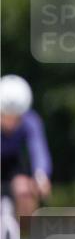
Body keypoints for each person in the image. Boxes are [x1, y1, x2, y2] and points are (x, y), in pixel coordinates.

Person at [0, 75, 53, 218]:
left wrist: (41, 176)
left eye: (16, 117)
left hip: (14, 164)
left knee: (25, 191)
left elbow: (38, 149)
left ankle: (25, 230)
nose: (11, 123)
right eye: (5, 115)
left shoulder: (31, 121)